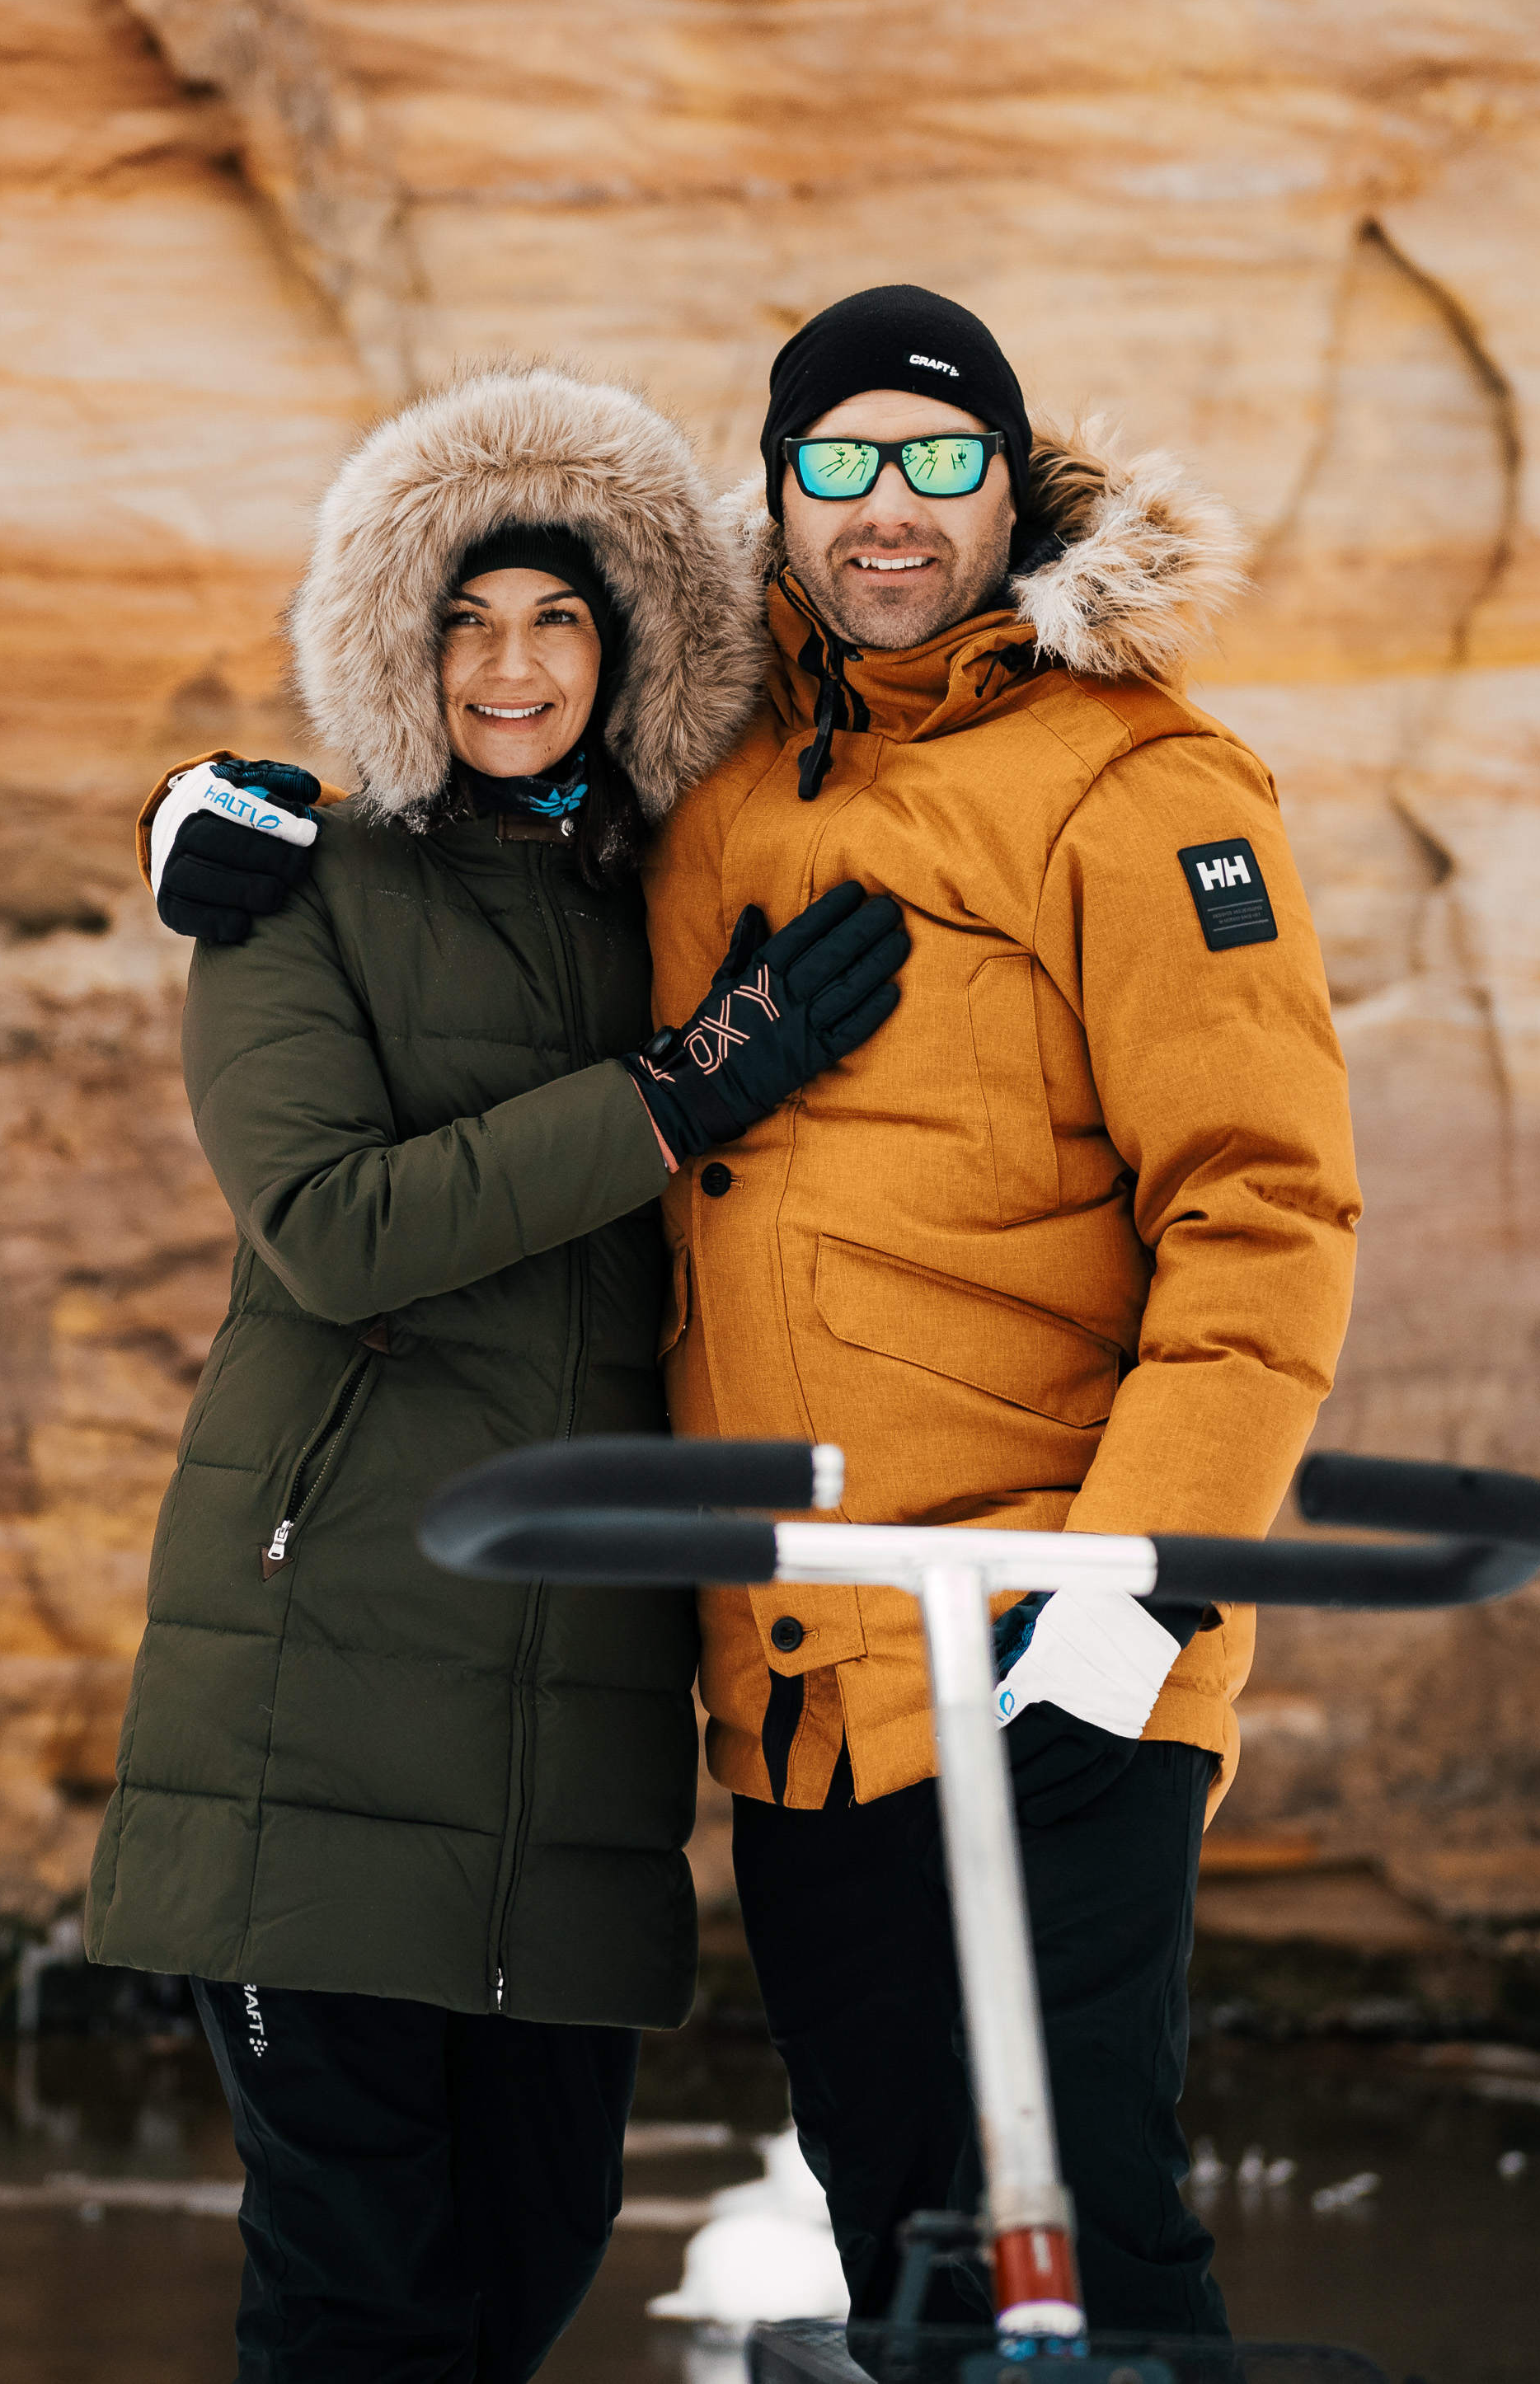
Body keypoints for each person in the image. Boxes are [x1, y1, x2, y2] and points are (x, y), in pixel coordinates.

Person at [146, 285, 1356, 2341]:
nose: (889, 511)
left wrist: (1131, 1581)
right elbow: (479, 793)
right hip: (802, 1686)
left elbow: (1262, 1209)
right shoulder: (713, 774)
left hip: (1047, 1637)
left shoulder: (1140, 784)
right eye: (840, 461)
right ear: (776, 496)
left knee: (1088, 2244)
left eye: (938, 460)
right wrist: (214, 806)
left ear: (1013, 481)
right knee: (907, 2251)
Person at [92, 364, 909, 2382]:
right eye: (461, 617)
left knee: (523, 2273)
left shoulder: (670, 889)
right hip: (320, 1691)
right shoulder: (302, 888)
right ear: (398, 638)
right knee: (357, 2307)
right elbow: (338, 1224)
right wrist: (677, 1085)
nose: (507, 663)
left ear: (626, 641)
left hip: (579, 1721)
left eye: (554, 615)